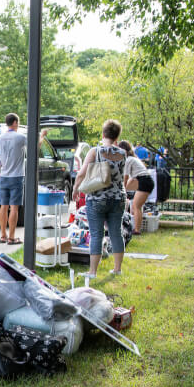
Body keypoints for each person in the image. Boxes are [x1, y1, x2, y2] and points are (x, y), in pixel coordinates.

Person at [73, 119, 127, 278]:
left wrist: (75, 189)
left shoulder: (95, 151)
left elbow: (82, 173)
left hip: (97, 198)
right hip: (118, 198)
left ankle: (92, 272)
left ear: (103, 134)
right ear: (117, 136)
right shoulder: (122, 153)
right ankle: (117, 269)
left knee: (96, 234)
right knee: (116, 232)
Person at [0, 112, 26, 244]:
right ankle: (12, 237)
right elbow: (36, 147)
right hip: (17, 177)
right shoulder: (20, 137)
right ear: (15, 123)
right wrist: (41, 137)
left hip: (4, 176)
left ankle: (3, 235)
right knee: (14, 208)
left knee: (3, 206)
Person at [118, 140, 154, 235]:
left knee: (136, 206)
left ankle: (137, 230)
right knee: (136, 206)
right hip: (145, 181)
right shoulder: (133, 159)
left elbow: (125, 178)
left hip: (144, 181)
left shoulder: (128, 160)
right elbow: (129, 180)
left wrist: (122, 191)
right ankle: (136, 227)